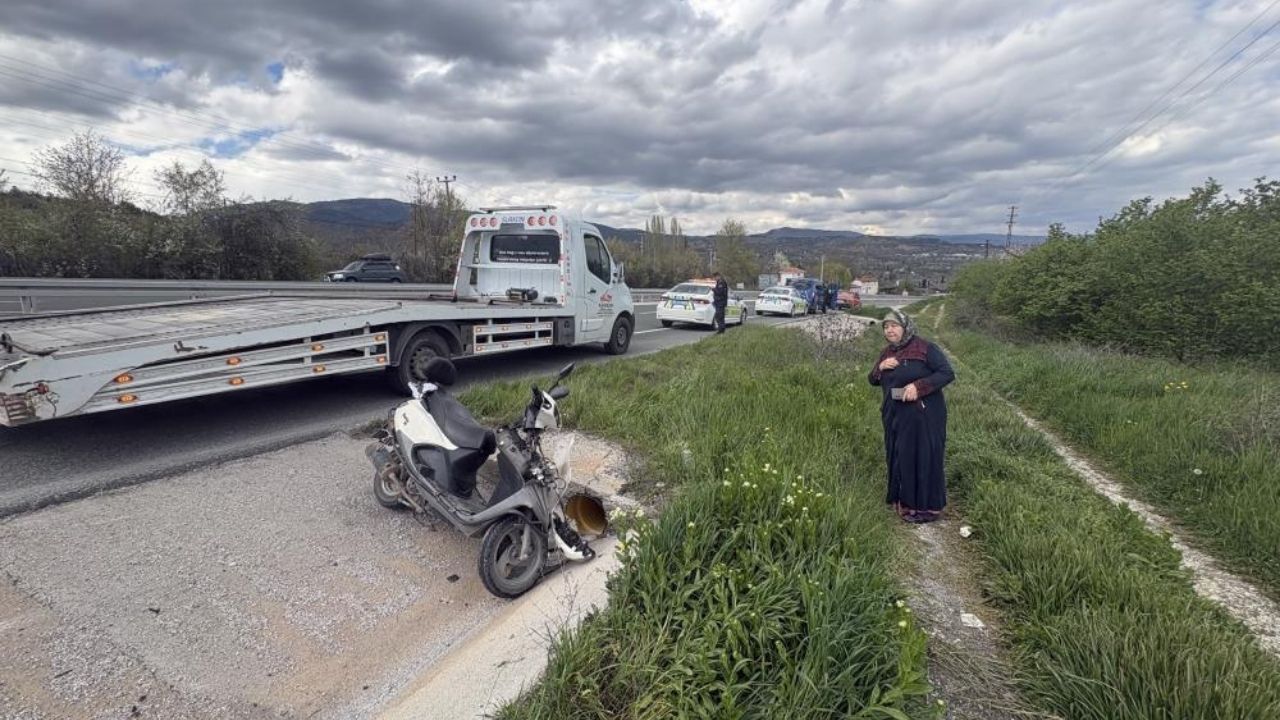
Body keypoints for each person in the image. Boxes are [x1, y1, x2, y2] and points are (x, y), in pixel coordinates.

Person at [868, 309, 955, 523]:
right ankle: (903, 501)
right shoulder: (887, 352)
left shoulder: (925, 348)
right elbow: (873, 380)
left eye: (894, 326)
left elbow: (946, 373)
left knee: (922, 456)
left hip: (923, 415)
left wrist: (919, 386)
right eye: (886, 327)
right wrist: (880, 367)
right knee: (899, 456)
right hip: (894, 414)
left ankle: (925, 507)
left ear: (905, 327)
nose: (889, 330)